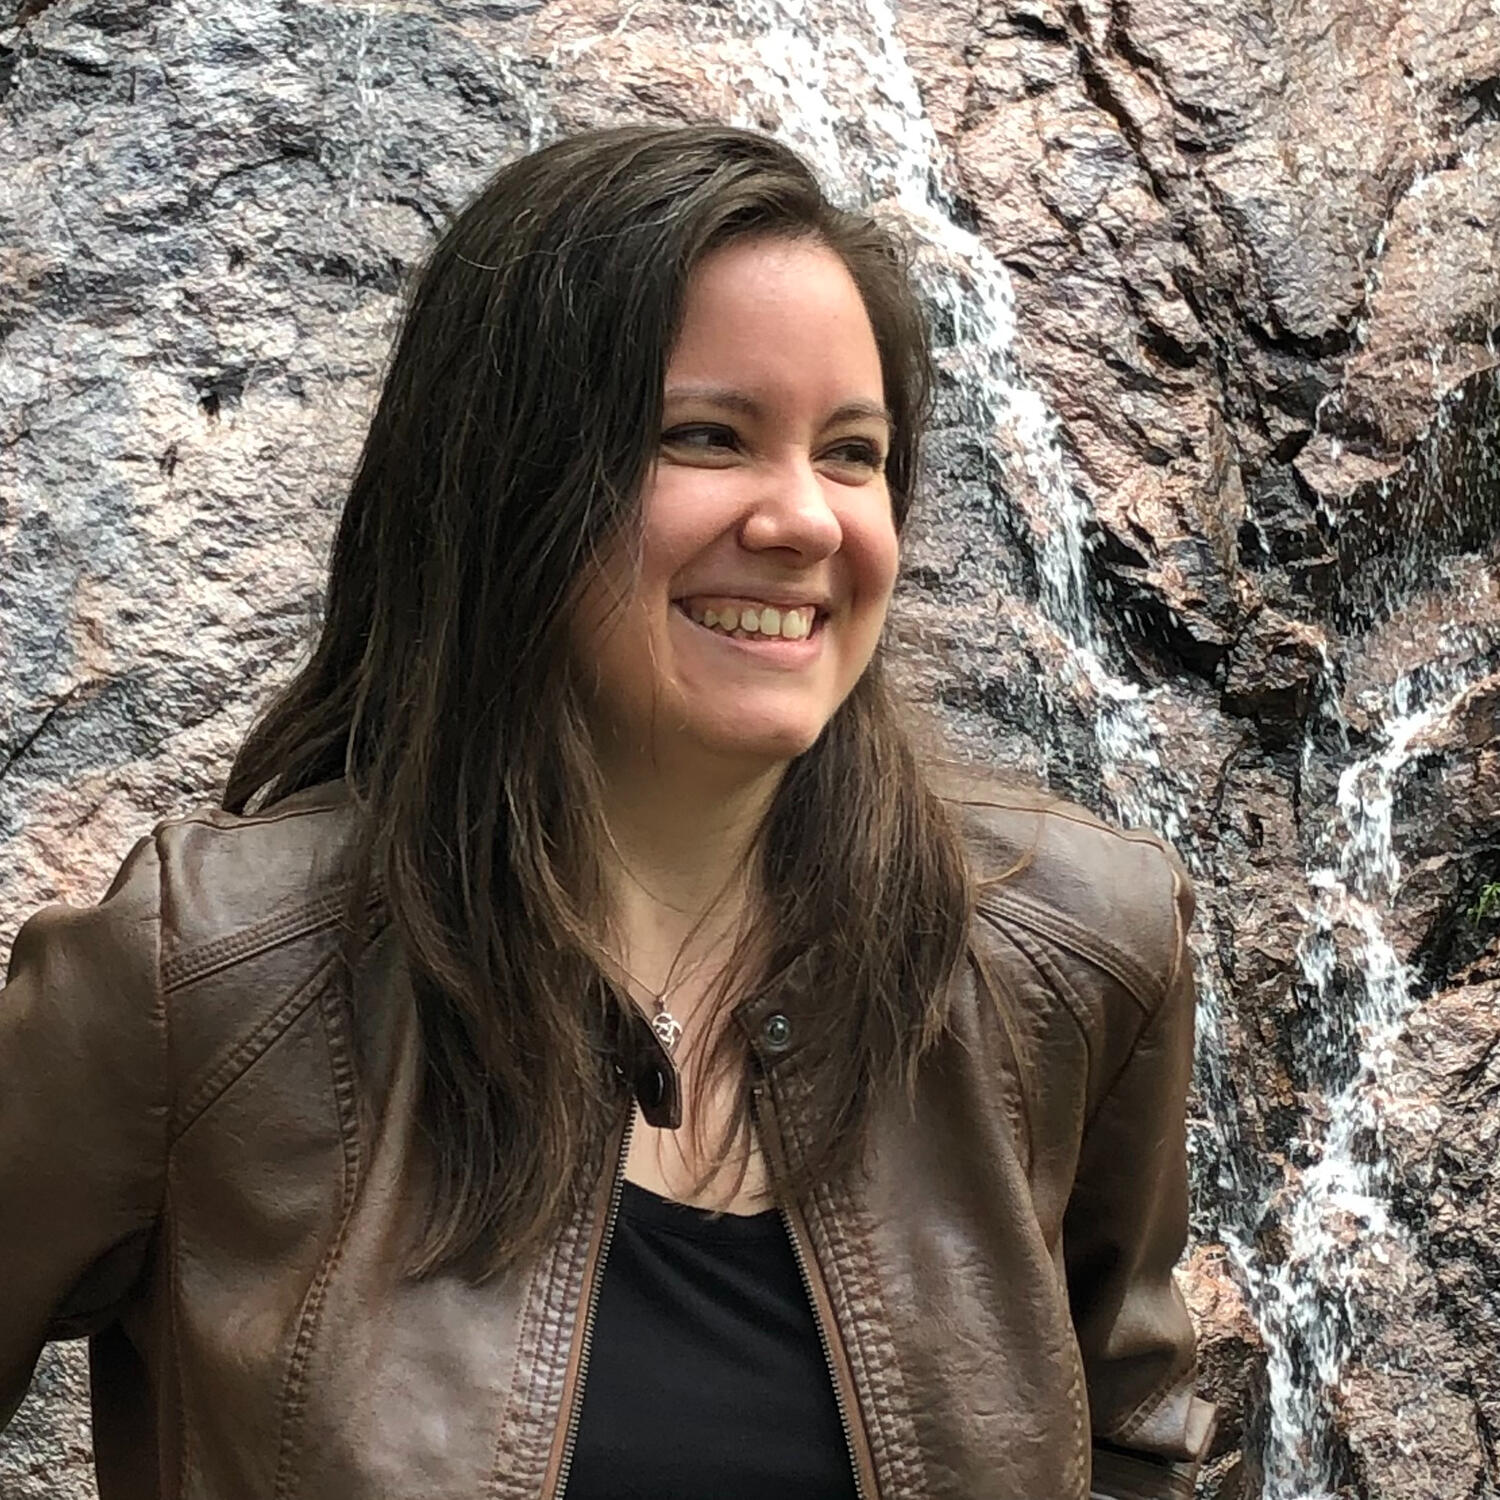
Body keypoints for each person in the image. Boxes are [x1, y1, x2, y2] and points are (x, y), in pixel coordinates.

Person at [0, 123, 1217, 1498]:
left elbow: (1139, 1445)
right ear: (508, 477)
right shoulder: (204, 983)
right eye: (709, 435)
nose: (806, 519)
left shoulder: (1067, 955)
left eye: (854, 452)